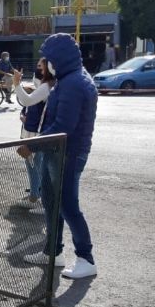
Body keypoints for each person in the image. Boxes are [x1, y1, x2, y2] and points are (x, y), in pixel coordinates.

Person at [23, 33, 98, 279]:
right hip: (56, 151)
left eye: (48, 59)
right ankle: (53, 252)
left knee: (67, 206)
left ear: (60, 59)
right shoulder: (68, 80)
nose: (45, 64)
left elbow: (63, 126)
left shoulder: (74, 83)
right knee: (51, 200)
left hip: (68, 153)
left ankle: (86, 258)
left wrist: (32, 146)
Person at [13, 58, 56, 208]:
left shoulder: (46, 86)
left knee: (34, 163)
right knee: (37, 164)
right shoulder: (48, 85)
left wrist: (16, 83)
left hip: (37, 132)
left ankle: (35, 197)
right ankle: (36, 191)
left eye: (40, 67)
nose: (39, 70)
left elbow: (26, 101)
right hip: (37, 131)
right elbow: (27, 105)